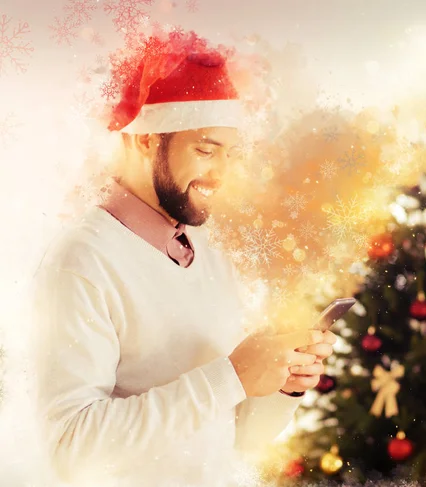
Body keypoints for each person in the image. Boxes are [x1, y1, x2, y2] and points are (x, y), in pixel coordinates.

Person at [30, 31, 337, 487]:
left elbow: (236, 439)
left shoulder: (210, 257)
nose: (222, 173)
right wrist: (229, 377)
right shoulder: (82, 262)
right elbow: (71, 451)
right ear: (144, 141)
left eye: (230, 154)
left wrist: (282, 382)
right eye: (205, 150)